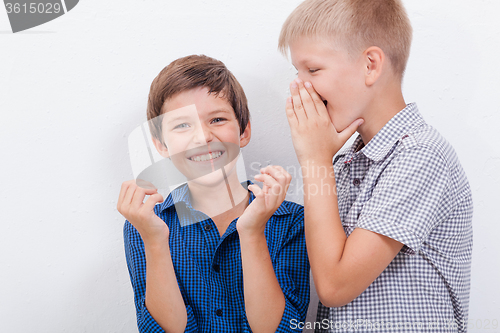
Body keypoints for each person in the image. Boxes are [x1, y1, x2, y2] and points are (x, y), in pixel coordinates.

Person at [278, 0, 473, 332]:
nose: (300, 86)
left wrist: (314, 161)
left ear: (370, 65)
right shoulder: (344, 162)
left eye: (312, 70)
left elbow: (335, 285)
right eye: (297, 72)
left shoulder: (421, 154)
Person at [117, 55, 310, 332]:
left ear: (243, 132)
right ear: (161, 144)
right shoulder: (144, 226)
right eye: (182, 125)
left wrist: (252, 231)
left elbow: (281, 329)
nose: (202, 137)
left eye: (217, 119)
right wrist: (155, 241)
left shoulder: (289, 221)